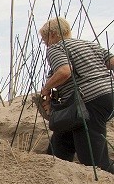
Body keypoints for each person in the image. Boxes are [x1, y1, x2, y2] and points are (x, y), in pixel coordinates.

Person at [39, 17, 114, 173]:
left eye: (44, 38)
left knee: (94, 162)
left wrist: (46, 88)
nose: (44, 43)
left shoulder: (56, 47)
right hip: (106, 96)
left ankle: (104, 183)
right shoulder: (89, 44)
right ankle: (52, 175)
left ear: (52, 35)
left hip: (88, 102)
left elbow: (65, 71)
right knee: (59, 147)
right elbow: (112, 62)